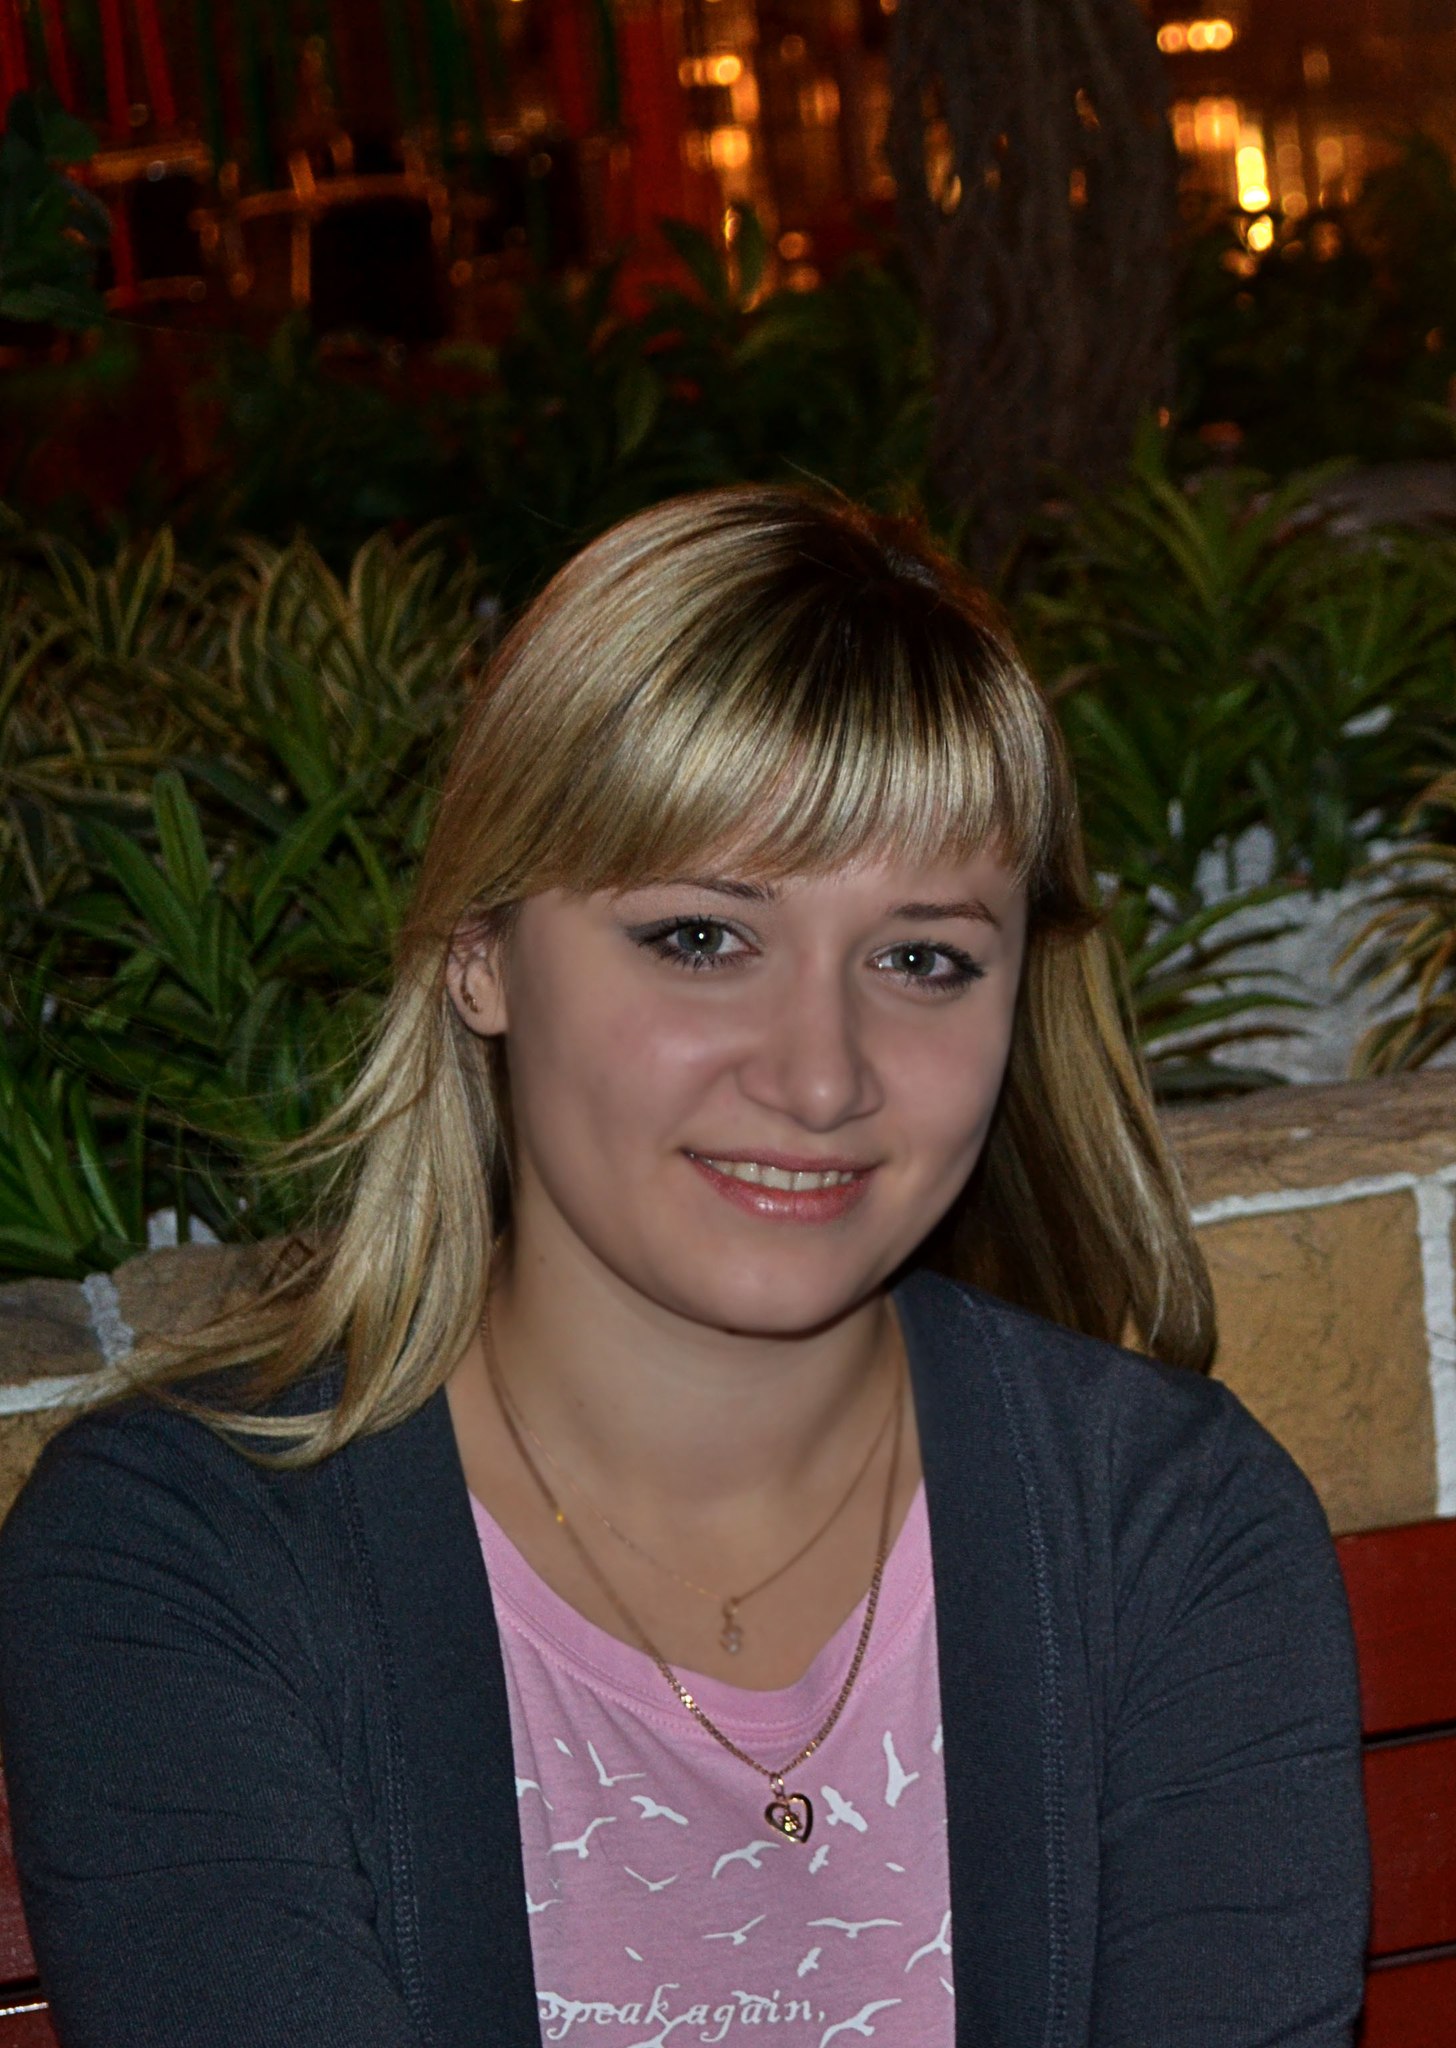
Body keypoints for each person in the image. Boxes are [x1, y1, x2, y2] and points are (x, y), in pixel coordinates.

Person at [0, 488, 1367, 2048]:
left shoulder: (1171, 1531)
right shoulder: (180, 1561)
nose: (822, 1074)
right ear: (480, 952)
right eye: (703, 938)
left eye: (922, 958)